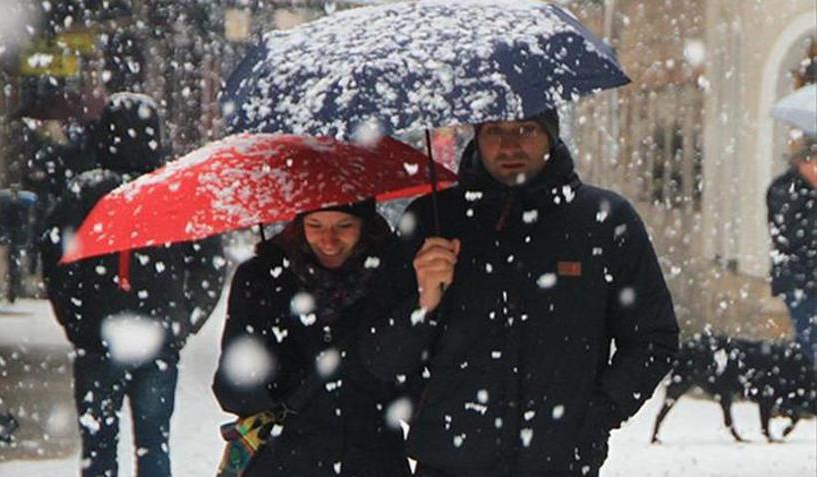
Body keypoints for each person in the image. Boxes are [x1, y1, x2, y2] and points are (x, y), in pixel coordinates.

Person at [361, 109, 680, 476]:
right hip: (448, 464)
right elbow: (381, 358)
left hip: (557, 465)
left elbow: (653, 339)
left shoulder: (605, 221)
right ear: (477, 136)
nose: (509, 145)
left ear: (551, 136)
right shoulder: (432, 221)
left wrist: (594, 417)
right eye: (494, 130)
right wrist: (423, 305)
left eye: (526, 129)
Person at [40, 93, 225, 477]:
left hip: (98, 339)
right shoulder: (177, 193)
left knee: (98, 447)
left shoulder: (85, 192)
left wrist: (77, 322)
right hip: (157, 338)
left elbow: (57, 264)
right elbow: (209, 266)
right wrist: (183, 320)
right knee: (154, 444)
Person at [212, 200, 411, 477]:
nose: (328, 240)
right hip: (283, 461)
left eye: (344, 226)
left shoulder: (394, 277)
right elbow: (232, 392)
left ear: (365, 226)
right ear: (299, 225)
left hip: (373, 462)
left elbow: (411, 384)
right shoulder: (261, 279)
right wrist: (271, 373)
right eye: (315, 225)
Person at [767, 137, 817, 367]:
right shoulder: (784, 190)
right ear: (801, 163)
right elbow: (793, 236)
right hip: (800, 280)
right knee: (811, 342)